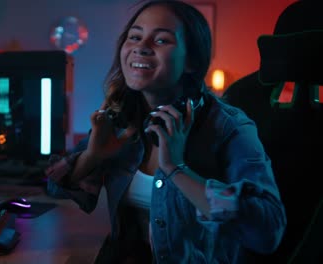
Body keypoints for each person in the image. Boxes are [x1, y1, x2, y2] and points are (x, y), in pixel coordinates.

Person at [46, 0, 287, 263]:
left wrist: (176, 169)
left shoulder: (229, 127)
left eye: (161, 41)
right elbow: (53, 189)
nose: (141, 47)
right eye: (135, 37)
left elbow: (267, 232)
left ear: (192, 62)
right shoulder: (120, 117)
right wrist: (92, 155)